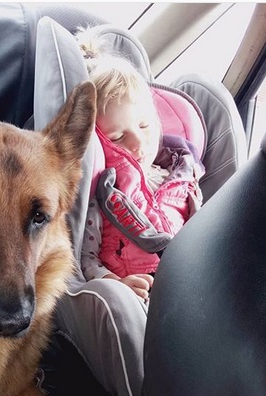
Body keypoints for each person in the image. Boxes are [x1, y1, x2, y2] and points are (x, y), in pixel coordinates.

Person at [77, 30, 205, 303]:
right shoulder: (102, 199)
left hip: (190, 288)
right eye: (118, 137)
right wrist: (117, 284)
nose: (138, 143)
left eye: (144, 125)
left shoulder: (179, 177)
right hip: (140, 299)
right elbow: (85, 259)